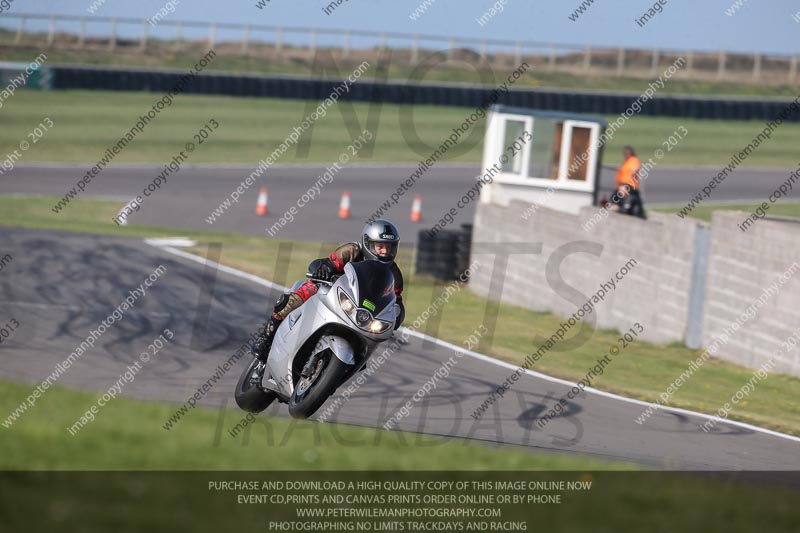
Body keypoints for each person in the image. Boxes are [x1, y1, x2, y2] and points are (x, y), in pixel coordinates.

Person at [251, 219, 406, 366]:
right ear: (368, 243)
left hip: (360, 312)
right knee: (303, 294)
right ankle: (266, 336)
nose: (385, 251)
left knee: (371, 340)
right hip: (333, 293)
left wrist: (397, 317)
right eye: (380, 246)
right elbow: (329, 263)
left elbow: (396, 301)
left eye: (389, 247)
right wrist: (323, 269)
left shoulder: (395, 274)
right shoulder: (351, 251)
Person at [610, 146, 646, 219]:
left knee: (627, 202)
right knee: (615, 198)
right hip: (621, 185)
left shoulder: (634, 160)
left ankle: (623, 209)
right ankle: (618, 208)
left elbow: (635, 168)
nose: (626, 154)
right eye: (625, 153)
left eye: (627, 153)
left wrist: (634, 172)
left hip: (629, 186)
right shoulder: (626, 162)